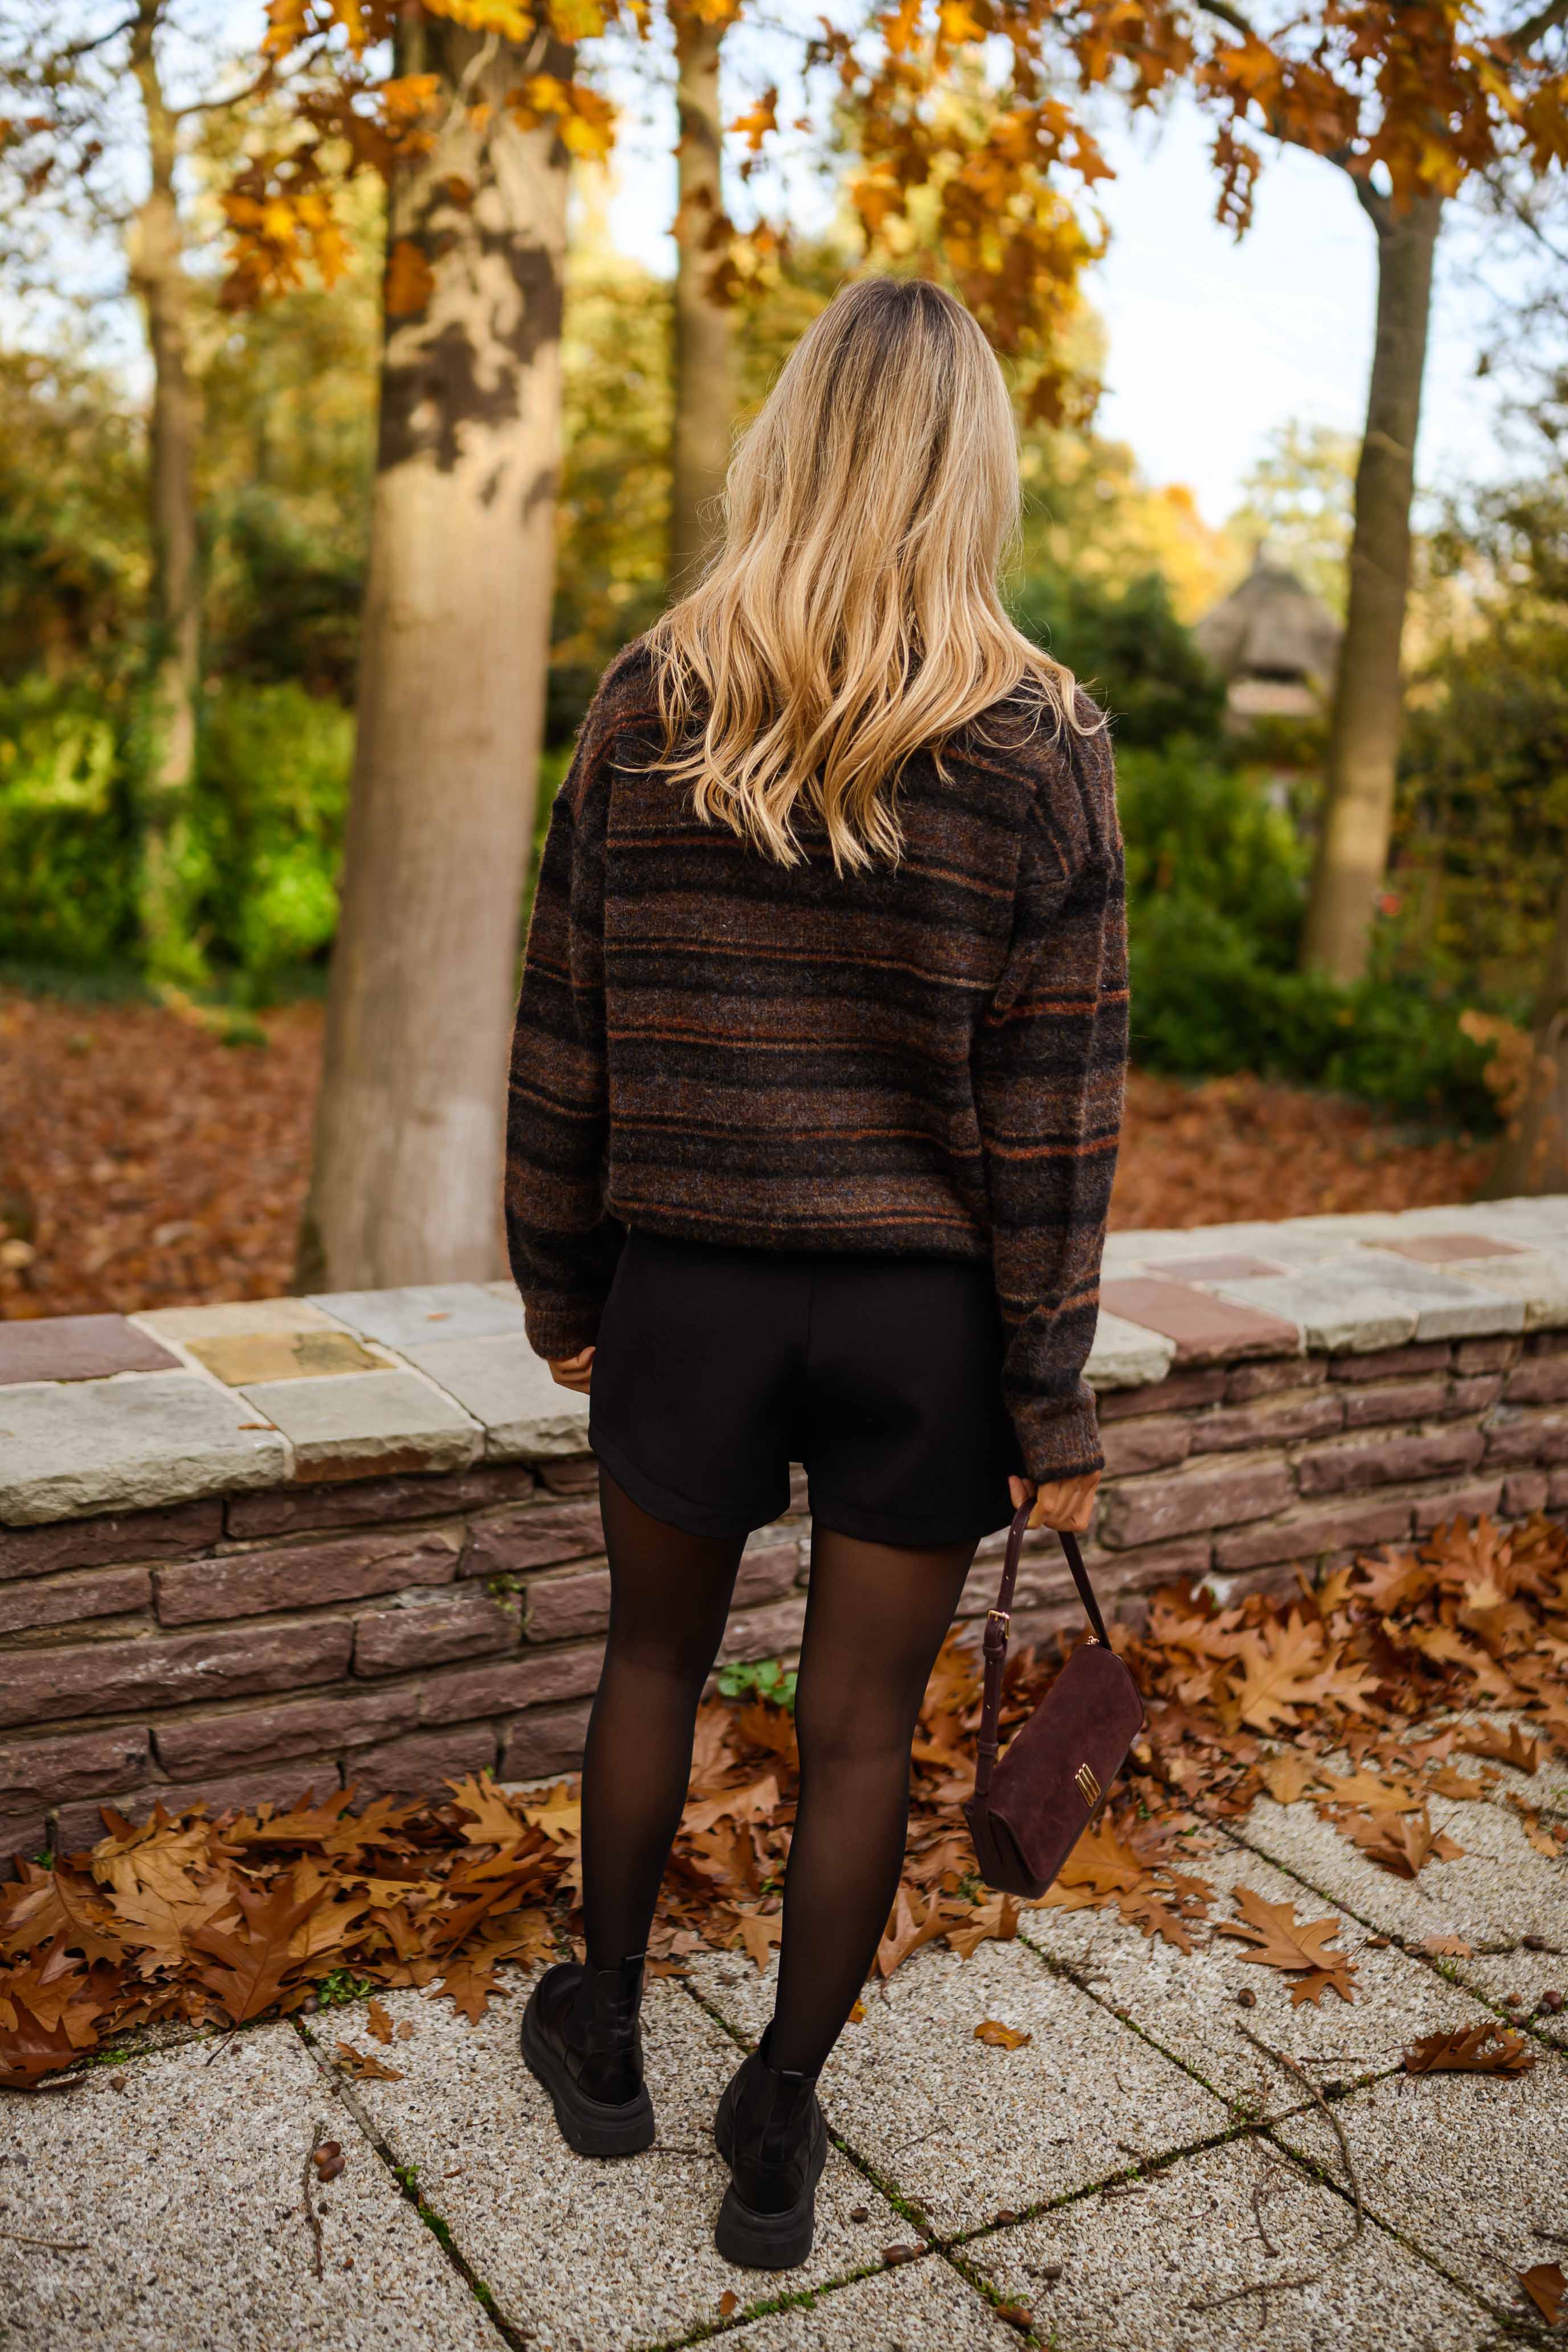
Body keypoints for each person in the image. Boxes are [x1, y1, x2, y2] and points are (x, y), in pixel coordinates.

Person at [504, 276, 1126, 2270]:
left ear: (787, 440)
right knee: (860, 1730)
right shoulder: (1040, 748)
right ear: (977, 469)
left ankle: (601, 2043)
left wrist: (557, 1277)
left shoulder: (647, 701)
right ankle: (775, 2127)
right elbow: (1056, 1129)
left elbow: (564, 1030)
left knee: (649, 1660)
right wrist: (1049, 1402)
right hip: (920, 1327)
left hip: (684, 1285)